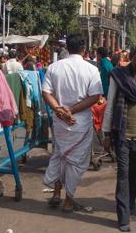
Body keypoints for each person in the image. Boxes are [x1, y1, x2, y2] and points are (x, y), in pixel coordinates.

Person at [42, 34, 102, 213]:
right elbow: (95, 97)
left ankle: (56, 194)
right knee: (74, 163)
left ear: (67, 47)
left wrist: (61, 111)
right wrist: (70, 112)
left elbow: (46, 92)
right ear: (84, 49)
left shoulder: (54, 67)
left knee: (60, 156)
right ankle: (68, 201)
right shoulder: (91, 69)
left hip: (61, 123)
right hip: (79, 122)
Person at [102, 44, 136, 232]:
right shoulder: (118, 76)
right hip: (123, 134)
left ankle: (131, 201)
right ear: (130, 57)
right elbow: (110, 106)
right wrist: (107, 133)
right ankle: (123, 217)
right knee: (123, 175)